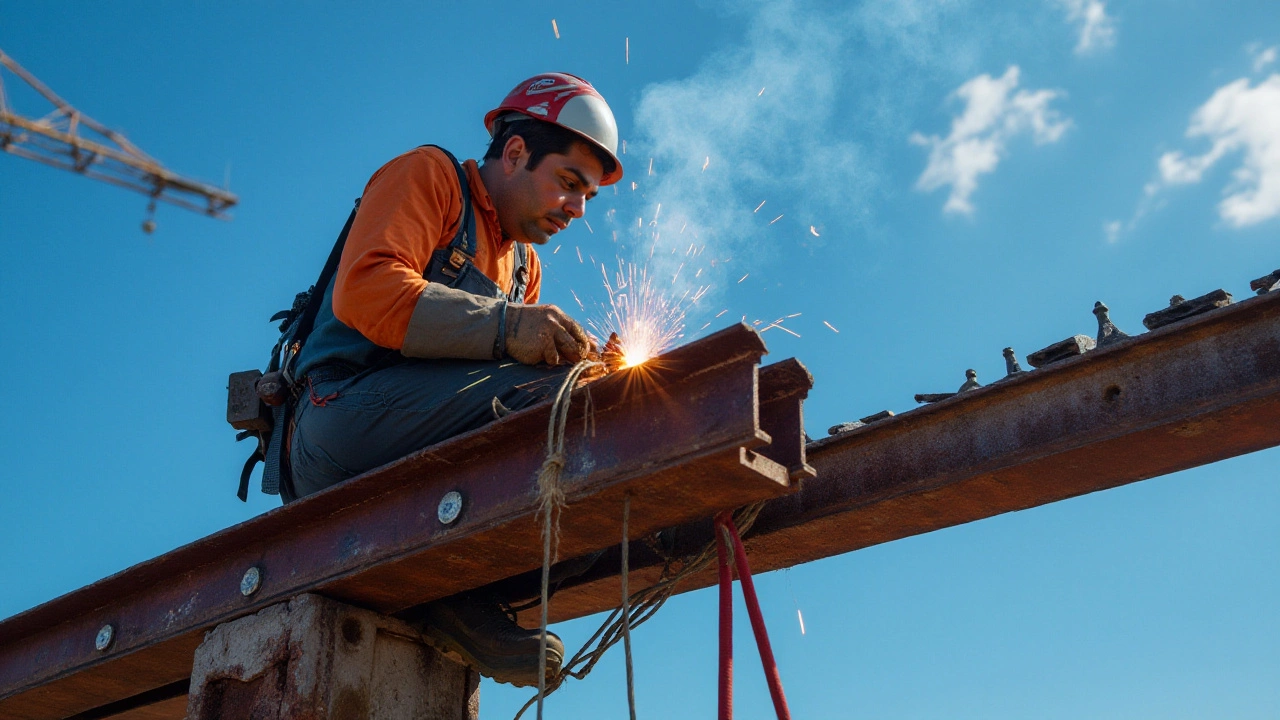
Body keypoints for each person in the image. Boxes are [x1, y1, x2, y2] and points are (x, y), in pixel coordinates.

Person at [284, 73, 623, 687]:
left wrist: (578, 366)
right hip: (340, 423)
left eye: (588, 198)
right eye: (569, 184)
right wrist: (510, 328)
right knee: (558, 409)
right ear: (516, 153)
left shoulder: (524, 267)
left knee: (593, 489)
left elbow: (503, 368)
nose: (576, 209)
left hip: (422, 440)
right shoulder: (429, 177)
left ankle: (458, 593)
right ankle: (453, 595)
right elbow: (367, 290)